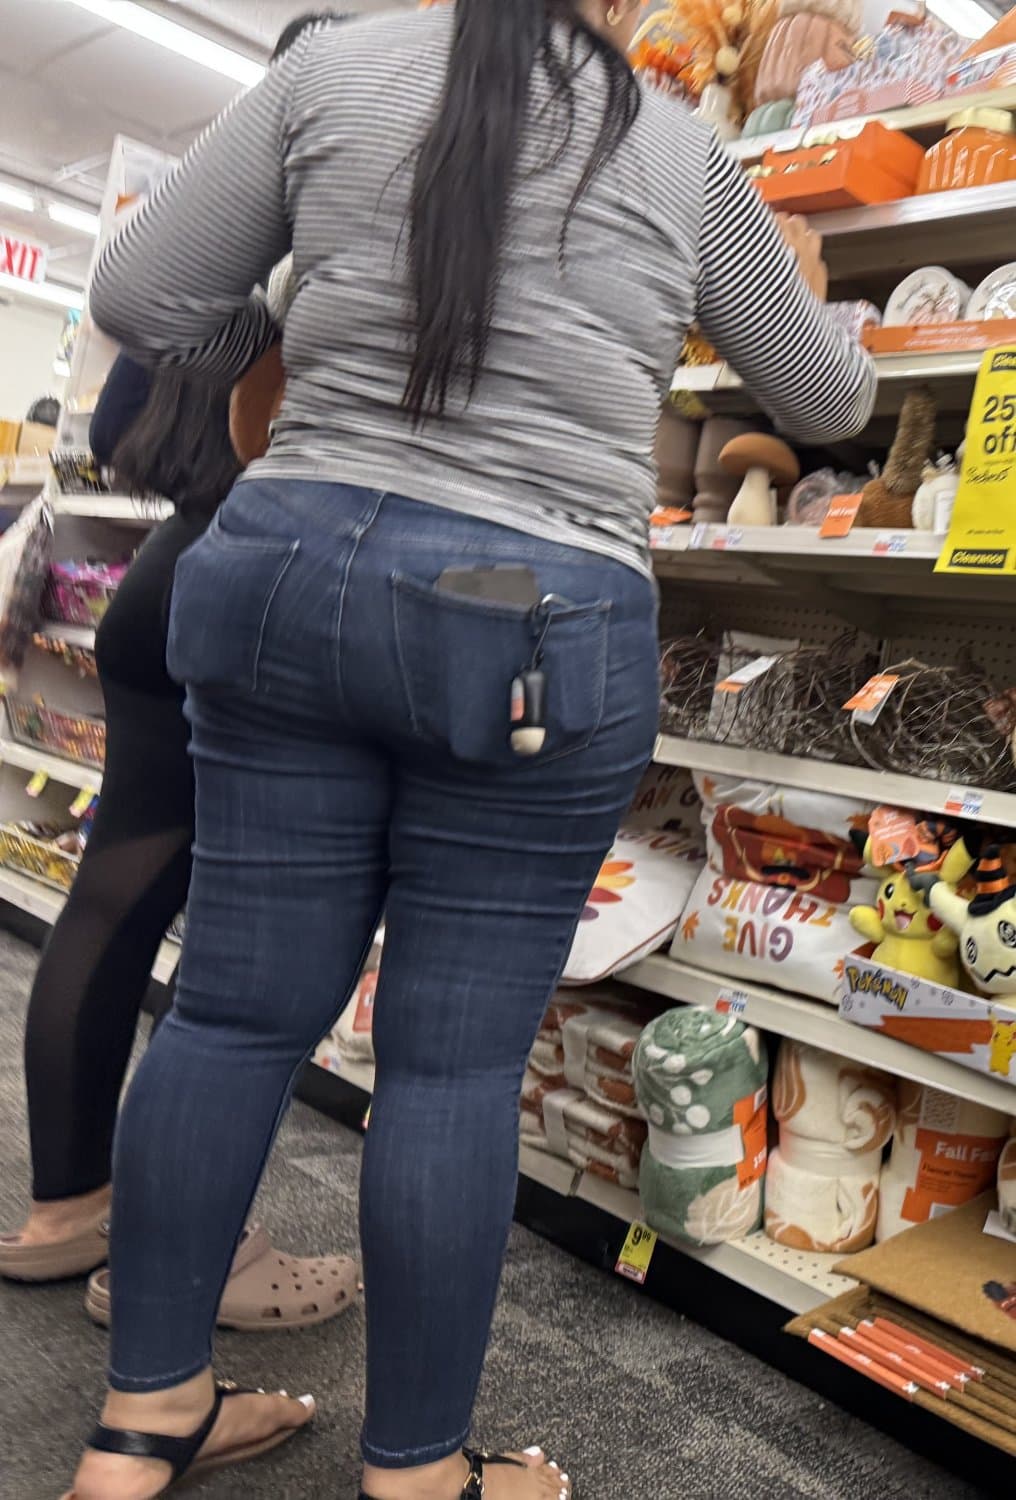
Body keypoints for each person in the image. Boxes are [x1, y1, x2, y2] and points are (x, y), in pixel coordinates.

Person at [64, 3, 876, 1498]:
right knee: (449, 1067)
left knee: (232, 1015)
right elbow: (826, 400)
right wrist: (822, 301)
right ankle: (420, 1474)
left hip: (284, 567)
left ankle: (139, 1428)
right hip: (533, 615)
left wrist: (288, 338)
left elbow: (138, 291)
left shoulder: (330, 67)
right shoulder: (678, 142)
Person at [0, 14, 358, 1319]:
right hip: (267, 588)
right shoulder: (370, 219)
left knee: (113, 892)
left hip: (167, 573)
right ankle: (191, 1258)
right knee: (244, 966)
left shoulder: (218, 214)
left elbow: (106, 424)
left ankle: (69, 1207)